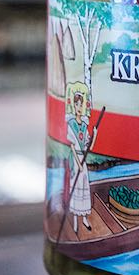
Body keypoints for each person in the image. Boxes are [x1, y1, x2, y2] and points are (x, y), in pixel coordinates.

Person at [64, 81, 93, 232]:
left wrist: (95, 135)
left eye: (81, 105)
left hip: (84, 160)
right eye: (77, 105)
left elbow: (89, 146)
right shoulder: (71, 125)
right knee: (76, 187)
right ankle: (75, 221)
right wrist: (78, 163)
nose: (79, 108)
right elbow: (72, 146)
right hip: (77, 162)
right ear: (74, 106)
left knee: (84, 187)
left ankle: (85, 219)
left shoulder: (85, 126)